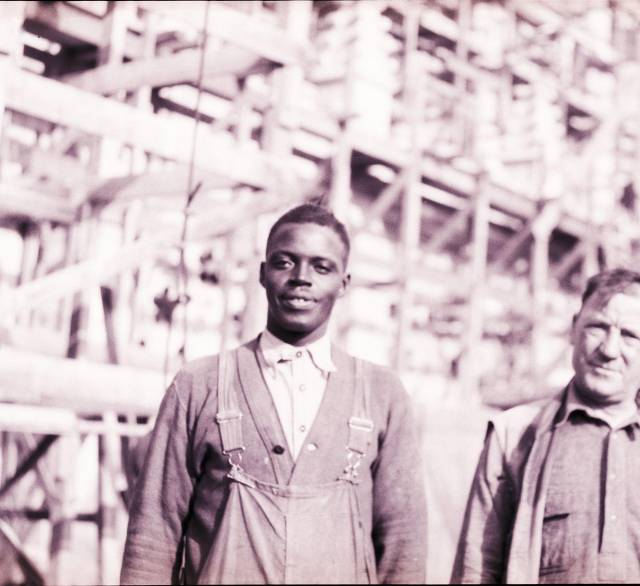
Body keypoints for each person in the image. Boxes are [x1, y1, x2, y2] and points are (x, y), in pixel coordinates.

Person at [121, 204, 427, 584]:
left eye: (321, 267)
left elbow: (403, 548)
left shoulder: (383, 395)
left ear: (343, 283)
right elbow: (153, 534)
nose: (301, 278)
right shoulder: (198, 385)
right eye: (285, 262)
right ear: (263, 274)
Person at [452, 267, 640, 584]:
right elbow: (475, 570)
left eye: (630, 336)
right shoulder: (512, 437)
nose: (609, 350)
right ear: (573, 329)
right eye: (597, 327)